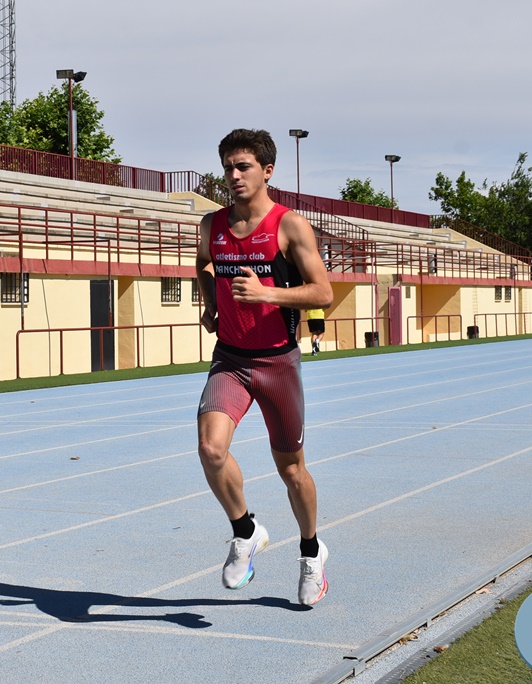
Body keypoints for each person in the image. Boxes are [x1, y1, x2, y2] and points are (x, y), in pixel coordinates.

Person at [195, 129, 334, 606]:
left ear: (267, 170)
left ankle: (312, 553)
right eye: (227, 167)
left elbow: (323, 293)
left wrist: (267, 293)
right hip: (231, 358)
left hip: (277, 359)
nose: (233, 176)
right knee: (210, 449)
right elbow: (204, 266)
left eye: (243, 167)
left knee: (292, 470)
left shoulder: (289, 226)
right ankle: (245, 530)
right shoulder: (211, 225)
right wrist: (210, 302)